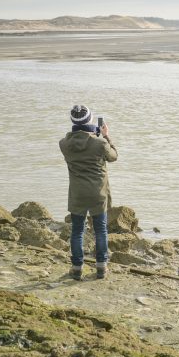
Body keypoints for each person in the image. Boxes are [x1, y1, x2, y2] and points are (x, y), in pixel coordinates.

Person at [59, 104, 117, 280]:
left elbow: (81, 146)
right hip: (98, 193)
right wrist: (106, 136)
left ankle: (76, 268)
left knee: (77, 231)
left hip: (77, 193)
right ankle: (101, 267)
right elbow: (113, 156)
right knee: (100, 230)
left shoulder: (64, 144)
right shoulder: (99, 143)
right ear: (89, 120)